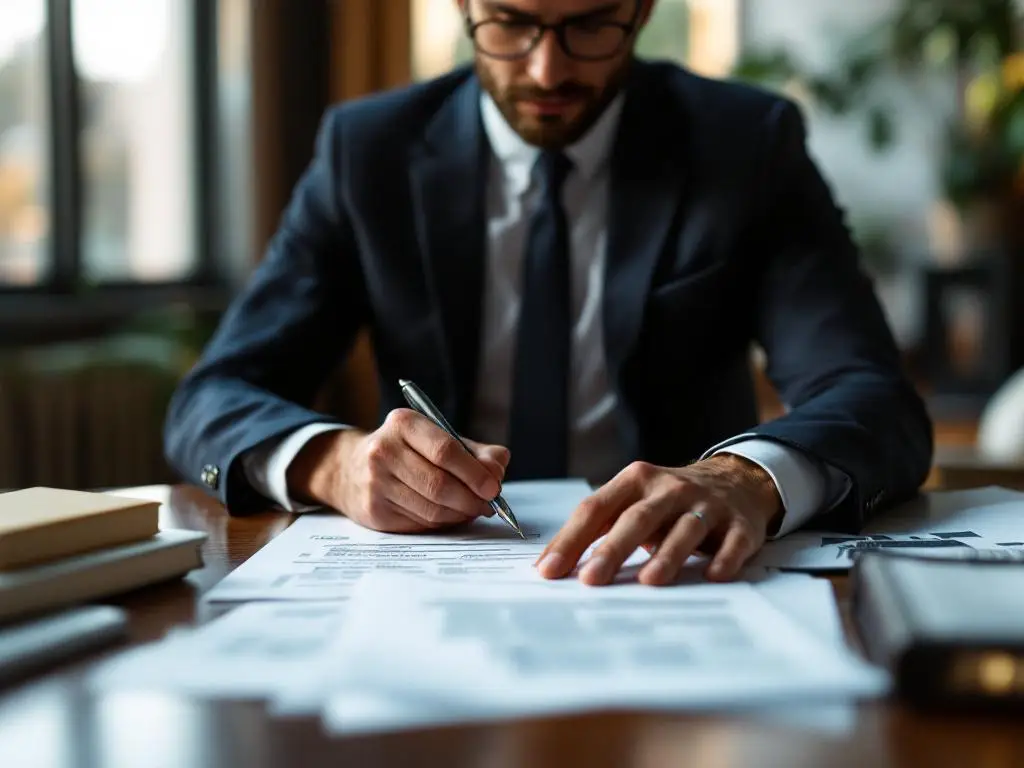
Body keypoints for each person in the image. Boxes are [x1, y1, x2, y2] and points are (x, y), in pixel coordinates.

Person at [164, 0, 933, 587]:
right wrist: (335, 464)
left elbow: (870, 395)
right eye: (509, 22)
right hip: (431, 587)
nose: (547, 72)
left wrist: (747, 478)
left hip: (674, 583)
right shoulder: (368, 152)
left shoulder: (747, 145)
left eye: (592, 25)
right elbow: (216, 394)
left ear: (643, 10)